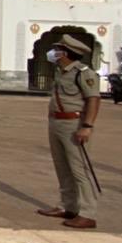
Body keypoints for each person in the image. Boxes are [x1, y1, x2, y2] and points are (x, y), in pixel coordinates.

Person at [38, 34, 101, 229]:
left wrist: (87, 126)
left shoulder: (83, 73)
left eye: (57, 50)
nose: (54, 53)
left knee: (79, 170)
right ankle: (68, 206)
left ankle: (87, 213)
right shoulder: (63, 72)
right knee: (62, 167)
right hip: (57, 122)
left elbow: (93, 99)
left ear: (65, 53)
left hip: (74, 124)